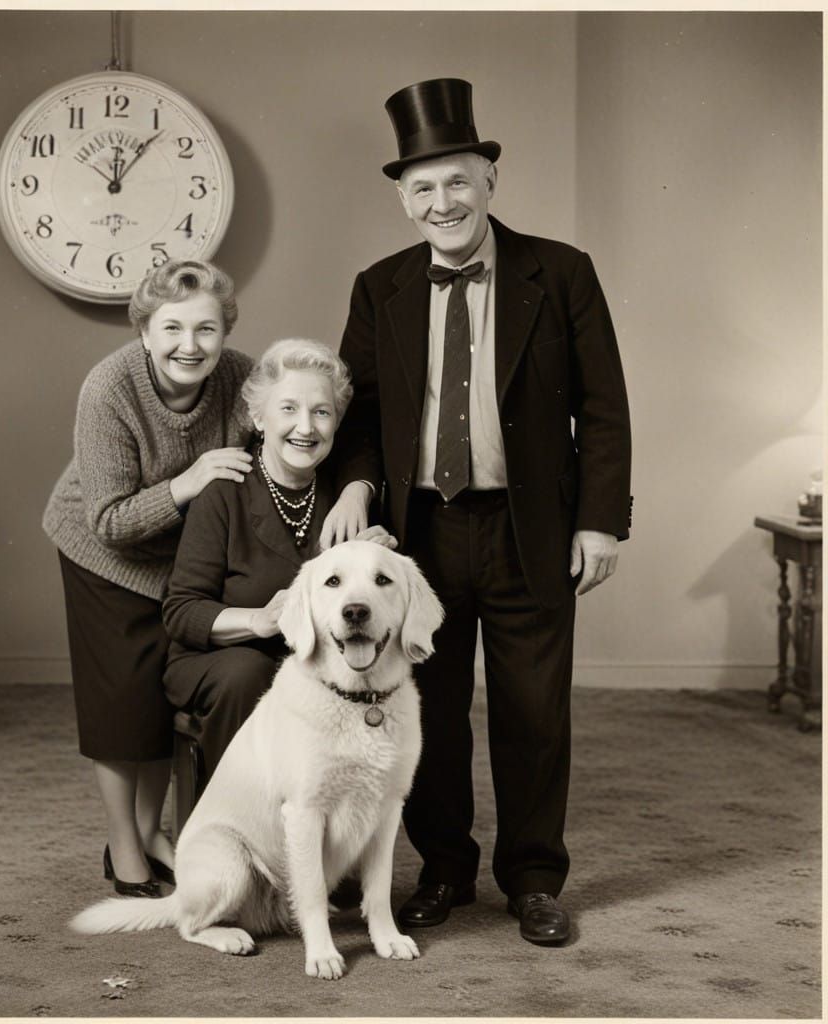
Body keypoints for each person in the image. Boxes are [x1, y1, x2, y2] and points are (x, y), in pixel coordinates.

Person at [320, 78, 632, 945]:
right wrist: (355, 487)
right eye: (422, 188)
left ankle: (534, 878)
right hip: (420, 535)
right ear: (403, 200)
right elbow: (357, 419)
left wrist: (600, 518)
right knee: (434, 707)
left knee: (535, 711)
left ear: (489, 181)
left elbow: (603, 405)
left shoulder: (560, 273)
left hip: (531, 527)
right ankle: (445, 867)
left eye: (457, 181)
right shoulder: (377, 287)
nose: (442, 201)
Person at [43, 259, 254, 897]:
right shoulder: (109, 387)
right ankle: (122, 845)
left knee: (162, 700)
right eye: (172, 329)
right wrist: (189, 484)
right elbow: (107, 519)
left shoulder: (242, 378)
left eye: (206, 330)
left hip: (181, 563)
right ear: (144, 329)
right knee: (120, 709)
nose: (189, 346)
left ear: (225, 332)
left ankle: (154, 832)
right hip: (102, 555)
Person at [163, 338, 390, 779]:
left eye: (321, 412)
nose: (305, 427)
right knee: (253, 672)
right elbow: (182, 610)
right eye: (288, 409)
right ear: (257, 417)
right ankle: (237, 820)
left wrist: (378, 570)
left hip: (313, 658)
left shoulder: (345, 501)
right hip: (225, 658)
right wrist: (258, 621)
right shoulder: (224, 491)